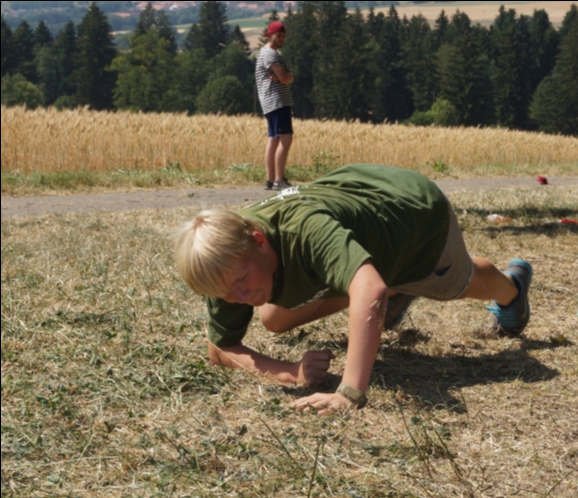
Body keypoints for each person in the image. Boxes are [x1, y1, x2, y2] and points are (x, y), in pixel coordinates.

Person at [175, 164, 533, 415]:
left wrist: (348, 393)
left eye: (241, 281)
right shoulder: (226, 263)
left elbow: (370, 290)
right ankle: (387, 288)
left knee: (460, 283)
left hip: (412, 217)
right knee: (274, 317)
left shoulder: (304, 231)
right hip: (364, 215)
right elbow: (220, 348)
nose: (238, 298)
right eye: (225, 294)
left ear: (259, 242)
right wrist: (291, 372)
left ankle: (513, 290)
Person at [256, 20, 294, 191]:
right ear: (270, 35)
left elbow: (288, 76)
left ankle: (270, 180)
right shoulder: (270, 54)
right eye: (279, 35)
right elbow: (287, 78)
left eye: (283, 36)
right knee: (286, 139)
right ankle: (279, 179)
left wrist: (286, 76)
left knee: (274, 139)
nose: (281, 38)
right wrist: (285, 76)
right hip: (277, 100)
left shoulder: (271, 53)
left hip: (271, 101)